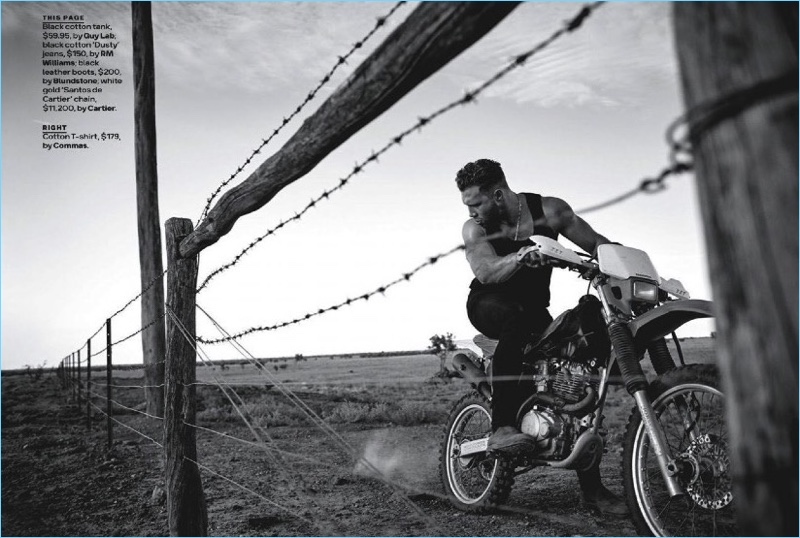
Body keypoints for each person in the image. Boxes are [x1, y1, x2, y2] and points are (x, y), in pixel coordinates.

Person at [456, 158, 628, 517]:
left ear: (498, 195)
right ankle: (502, 427)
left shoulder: (549, 211)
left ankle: (592, 491)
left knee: (583, 352)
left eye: (476, 203)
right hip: (489, 303)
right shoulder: (475, 230)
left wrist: (624, 266)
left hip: (535, 310)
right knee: (516, 320)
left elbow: (596, 243)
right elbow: (486, 271)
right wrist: (520, 256)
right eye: (467, 205)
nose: (471, 212)